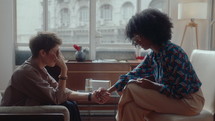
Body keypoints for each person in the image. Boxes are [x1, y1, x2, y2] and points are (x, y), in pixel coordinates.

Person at [99, 8, 205, 121]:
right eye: (135, 37)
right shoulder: (153, 55)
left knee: (131, 87)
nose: (136, 40)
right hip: (174, 98)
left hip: (190, 101)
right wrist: (108, 91)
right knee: (131, 107)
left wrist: (154, 86)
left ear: (151, 33)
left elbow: (181, 91)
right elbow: (132, 75)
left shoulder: (174, 52)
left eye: (138, 36)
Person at [0, 32, 110, 121]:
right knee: (68, 105)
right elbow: (57, 98)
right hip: (14, 115)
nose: (59, 56)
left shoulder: (39, 69)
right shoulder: (26, 72)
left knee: (71, 104)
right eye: (56, 52)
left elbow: (63, 93)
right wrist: (64, 70)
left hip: (31, 111)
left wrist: (91, 96)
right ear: (43, 53)